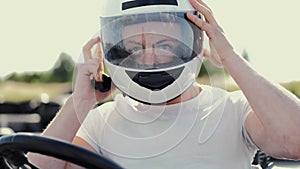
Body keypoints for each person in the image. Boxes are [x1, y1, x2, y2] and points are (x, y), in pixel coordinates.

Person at [28, 0, 300, 168]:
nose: (150, 57)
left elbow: (295, 140)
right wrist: (80, 103)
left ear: (198, 40)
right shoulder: (99, 122)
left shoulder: (235, 108)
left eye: (165, 44)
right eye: (133, 47)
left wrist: (228, 57)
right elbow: (32, 167)